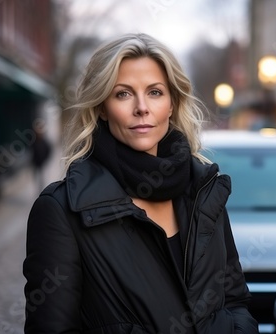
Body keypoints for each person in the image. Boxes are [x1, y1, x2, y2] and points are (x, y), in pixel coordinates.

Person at [23, 33, 258, 334]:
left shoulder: (204, 191)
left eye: (155, 92)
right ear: (102, 108)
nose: (142, 108)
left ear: (172, 104)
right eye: (123, 94)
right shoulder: (61, 210)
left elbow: (234, 300)